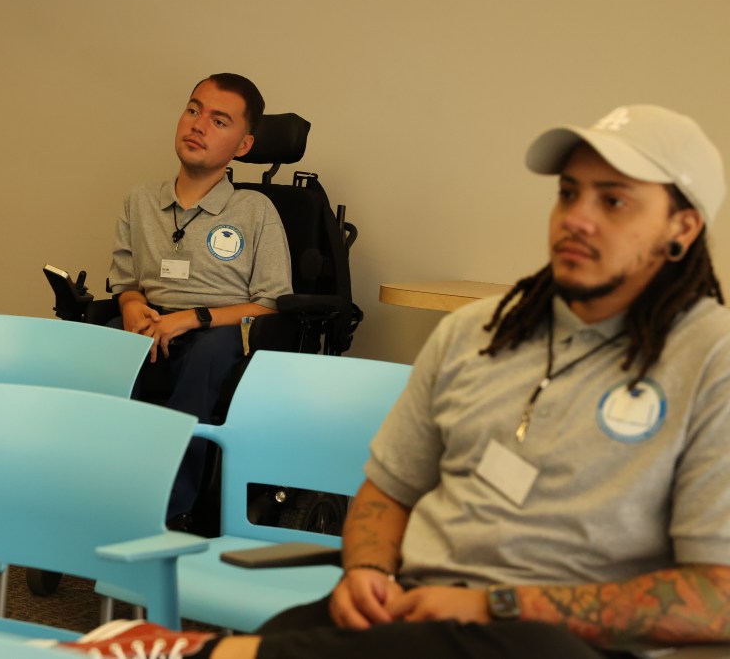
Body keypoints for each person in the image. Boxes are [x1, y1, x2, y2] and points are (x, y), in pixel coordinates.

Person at [61, 105, 730, 658]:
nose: (578, 217)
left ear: (682, 227)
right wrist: (370, 570)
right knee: (324, 631)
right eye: (569, 193)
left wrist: (492, 602)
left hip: (556, 638)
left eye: (615, 201)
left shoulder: (710, 361)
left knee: (526, 646)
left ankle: (196, 654)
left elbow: (715, 598)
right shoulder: (479, 332)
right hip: (411, 603)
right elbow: (386, 489)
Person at [107, 73, 293, 525]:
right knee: (102, 346)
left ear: (243, 146)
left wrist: (194, 318)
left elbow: (270, 304)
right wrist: (132, 306)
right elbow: (126, 280)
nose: (198, 125)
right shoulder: (140, 201)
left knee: (209, 354)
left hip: (221, 331)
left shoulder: (255, 211)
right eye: (193, 110)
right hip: (151, 323)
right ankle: (95, 490)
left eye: (219, 120)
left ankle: (168, 510)